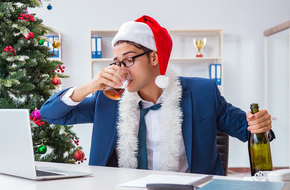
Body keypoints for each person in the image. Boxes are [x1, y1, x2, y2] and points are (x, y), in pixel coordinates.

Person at [40, 15, 273, 175]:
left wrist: (260, 122)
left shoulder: (203, 93)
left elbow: (249, 128)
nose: (121, 70)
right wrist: (89, 87)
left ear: (154, 58)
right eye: (117, 62)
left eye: (129, 59)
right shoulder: (109, 99)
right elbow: (50, 115)